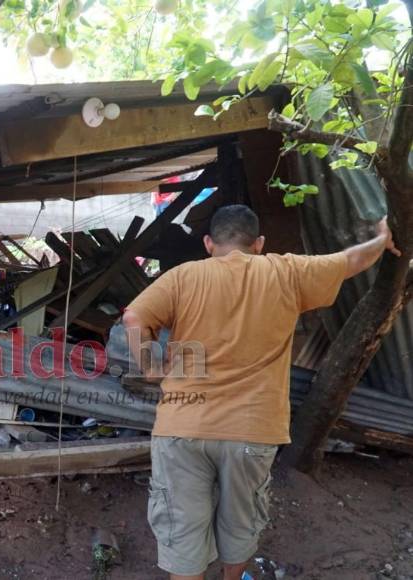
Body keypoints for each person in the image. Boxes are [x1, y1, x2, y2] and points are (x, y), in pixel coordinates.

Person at [122, 205, 399, 580]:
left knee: (183, 534)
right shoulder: (286, 272)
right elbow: (350, 260)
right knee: (240, 525)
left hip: (182, 427)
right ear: (259, 243)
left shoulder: (183, 277)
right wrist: (383, 237)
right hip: (252, 429)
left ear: (209, 243)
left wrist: (150, 367)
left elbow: (133, 317)